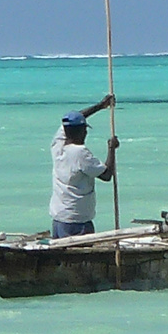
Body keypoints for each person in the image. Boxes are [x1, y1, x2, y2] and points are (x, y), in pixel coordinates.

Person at [50, 94, 118, 238]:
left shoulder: (57, 145)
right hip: (77, 221)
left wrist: (100, 106)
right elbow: (106, 175)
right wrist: (111, 149)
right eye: (85, 129)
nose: (86, 132)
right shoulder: (80, 153)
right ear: (82, 131)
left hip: (59, 217)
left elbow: (75, 117)